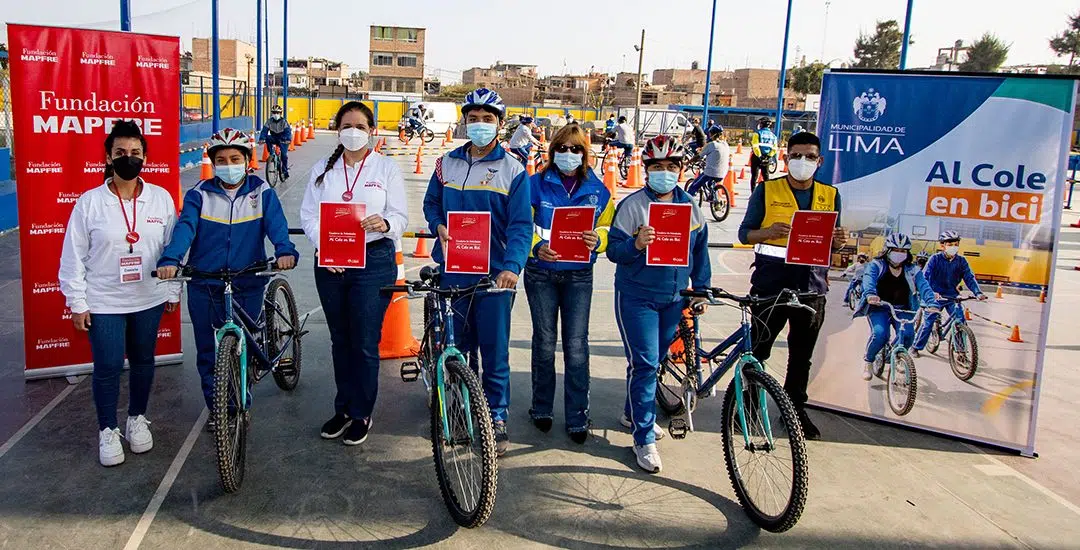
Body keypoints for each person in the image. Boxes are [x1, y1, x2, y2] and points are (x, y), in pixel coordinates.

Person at [58, 121, 180, 467]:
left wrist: (171, 290)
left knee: (143, 361)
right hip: (104, 299)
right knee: (108, 365)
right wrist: (78, 302)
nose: (129, 158)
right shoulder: (90, 202)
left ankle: (137, 418)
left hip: (149, 296)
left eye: (136, 153)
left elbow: (172, 247)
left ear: (145, 157)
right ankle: (108, 428)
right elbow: (73, 256)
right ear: (109, 157)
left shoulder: (161, 198)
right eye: (121, 153)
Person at [157, 128, 298, 415]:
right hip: (205, 282)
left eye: (235, 158)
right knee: (209, 353)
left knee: (241, 345)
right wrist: (171, 258)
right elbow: (185, 230)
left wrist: (284, 250)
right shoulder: (199, 194)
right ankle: (220, 411)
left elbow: (276, 225)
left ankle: (241, 393)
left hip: (248, 279)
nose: (228, 165)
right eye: (221, 160)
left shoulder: (261, 191)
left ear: (247, 160)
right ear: (212, 162)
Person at [422, 88, 532, 456]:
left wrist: (512, 266)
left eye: (488, 119)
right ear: (464, 122)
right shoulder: (446, 163)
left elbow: (521, 225)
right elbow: (431, 202)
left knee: (494, 350)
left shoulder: (514, 170)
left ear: (500, 125)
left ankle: (496, 415)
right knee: (457, 345)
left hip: (494, 276)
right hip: (454, 270)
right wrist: (437, 224)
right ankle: (459, 406)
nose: (480, 125)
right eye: (474, 118)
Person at [300, 101, 408, 445]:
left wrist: (386, 222)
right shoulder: (323, 169)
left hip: (374, 262)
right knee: (340, 340)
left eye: (360, 126)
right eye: (347, 125)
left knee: (363, 342)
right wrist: (326, 246)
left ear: (371, 131)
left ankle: (362, 412)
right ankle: (343, 408)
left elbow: (401, 217)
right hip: (331, 262)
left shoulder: (386, 169)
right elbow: (308, 216)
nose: (353, 132)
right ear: (338, 130)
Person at [608, 135, 712, 473]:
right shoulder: (632, 205)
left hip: (674, 298)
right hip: (637, 296)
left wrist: (701, 289)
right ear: (647, 169)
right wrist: (636, 244)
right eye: (656, 167)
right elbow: (613, 252)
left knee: (651, 362)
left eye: (670, 166)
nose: (663, 172)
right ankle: (643, 438)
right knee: (646, 363)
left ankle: (632, 413)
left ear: (681, 170)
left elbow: (700, 251)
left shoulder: (691, 206)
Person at [737, 131, 846, 440]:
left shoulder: (830, 194)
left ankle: (794, 411)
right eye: (797, 156)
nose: (803, 162)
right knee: (759, 350)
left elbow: (832, 246)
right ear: (785, 159)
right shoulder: (767, 190)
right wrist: (767, 231)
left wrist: (838, 243)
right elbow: (745, 234)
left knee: (801, 356)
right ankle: (747, 408)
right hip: (771, 284)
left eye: (810, 157)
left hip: (811, 286)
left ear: (820, 161)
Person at [526, 124, 614, 444]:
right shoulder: (534, 184)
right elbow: (521, 225)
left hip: (579, 275)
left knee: (576, 346)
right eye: (561, 148)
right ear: (552, 152)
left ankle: (578, 415)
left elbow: (608, 226)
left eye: (575, 149)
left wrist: (599, 240)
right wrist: (536, 246)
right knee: (545, 343)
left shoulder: (597, 189)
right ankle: (541, 408)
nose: (568, 154)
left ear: (585, 154)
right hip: (540, 273)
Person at [853, 233, 938, 380]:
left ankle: (897, 355)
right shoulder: (877, 265)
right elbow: (868, 280)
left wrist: (931, 302)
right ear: (888, 250)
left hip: (903, 308)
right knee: (880, 334)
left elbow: (924, 286)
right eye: (896, 250)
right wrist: (870, 294)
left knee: (908, 335)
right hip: (880, 307)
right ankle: (868, 360)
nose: (899, 254)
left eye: (903, 251)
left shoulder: (913, 269)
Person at [911, 231, 988, 357]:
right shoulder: (934, 259)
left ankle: (961, 351)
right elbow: (924, 278)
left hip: (951, 296)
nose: (954, 247)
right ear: (943, 246)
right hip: (934, 296)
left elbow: (969, 277)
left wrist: (978, 292)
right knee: (928, 322)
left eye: (956, 244)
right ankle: (915, 347)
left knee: (960, 320)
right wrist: (931, 293)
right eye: (950, 244)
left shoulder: (961, 261)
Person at [685, 125, 730, 197]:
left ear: (712, 134)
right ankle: (714, 199)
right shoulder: (725, 144)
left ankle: (687, 201)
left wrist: (687, 162)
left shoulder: (712, 144)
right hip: (723, 173)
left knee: (694, 185)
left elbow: (698, 157)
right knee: (710, 184)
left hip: (711, 172)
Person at [258, 104, 292, 180]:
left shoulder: (284, 122)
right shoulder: (269, 121)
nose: (275, 114)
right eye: (274, 112)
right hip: (274, 137)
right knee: (267, 138)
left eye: (277, 112)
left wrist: (286, 139)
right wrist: (261, 139)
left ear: (280, 113)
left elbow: (288, 132)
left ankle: (285, 171)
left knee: (284, 156)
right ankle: (272, 154)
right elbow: (264, 131)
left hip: (283, 139)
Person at [750, 116, 778, 189]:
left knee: (754, 177)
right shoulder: (773, 136)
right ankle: (767, 194)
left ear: (761, 124)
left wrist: (760, 156)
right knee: (766, 176)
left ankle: (753, 194)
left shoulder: (757, 134)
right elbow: (774, 148)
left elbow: (755, 146)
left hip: (757, 157)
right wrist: (768, 156)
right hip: (767, 158)